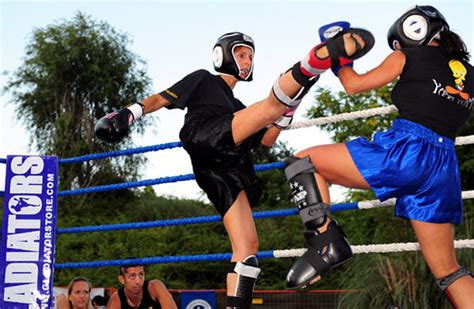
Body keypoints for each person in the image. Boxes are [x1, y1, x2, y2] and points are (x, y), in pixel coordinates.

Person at [95, 29, 373, 308]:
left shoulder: (239, 108)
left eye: (250, 56)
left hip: (222, 169)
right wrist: (128, 113)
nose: (246, 61)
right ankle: (316, 61)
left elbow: (267, 138)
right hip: (205, 136)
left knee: (247, 248)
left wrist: (292, 104)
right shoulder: (204, 79)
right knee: (269, 106)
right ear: (222, 55)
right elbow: (162, 98)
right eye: (241, 54)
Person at [282, 5, 474, 308]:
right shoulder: (469, 74)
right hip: (444, 166)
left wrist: (338, 54)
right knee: (449, 271)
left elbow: (354, 85)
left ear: (414, 30)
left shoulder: (408, 55)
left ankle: (325, 242)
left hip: (407, 152)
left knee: (301, 161)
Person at [107, 264, 177, 309]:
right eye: (132, 276)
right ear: (122, 279)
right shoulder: (116, 300)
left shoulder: (154, 287)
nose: (138, 281)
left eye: (141, 274)